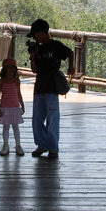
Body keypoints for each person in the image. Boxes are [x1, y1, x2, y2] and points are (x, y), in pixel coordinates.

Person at [26, 18, 73, 158]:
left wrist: (72, 67)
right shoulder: (37, 49)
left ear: (42, 33)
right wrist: (32, 56)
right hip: (39, 86)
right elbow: (34, 70)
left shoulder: (56, 46)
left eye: (35, 34)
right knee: (37, 119)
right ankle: (42, 145)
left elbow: (70, 53)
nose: (34, 37)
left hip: (52, 87)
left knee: (53, 118)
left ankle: (53, 148)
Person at [0, 58, 26, 156]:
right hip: (4, 107)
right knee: (6, 127)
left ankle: (18, 146)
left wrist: (22, 105)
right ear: (4, 70)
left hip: (15, 107)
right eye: (8, 68)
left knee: (16, 127)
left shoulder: (17, 81)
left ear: (15, 70)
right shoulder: (1, 81)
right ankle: (5, 145)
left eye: (13, 68)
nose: (10, 71)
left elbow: (19, 94)